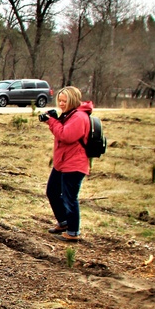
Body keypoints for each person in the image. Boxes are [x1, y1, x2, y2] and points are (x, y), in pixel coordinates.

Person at [41, 86, 93, 242]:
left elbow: (66, 136)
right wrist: (55, 120)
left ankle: (73, 231)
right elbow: (61, 131)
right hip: (62, 162)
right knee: (52, 191)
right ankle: (63, 222)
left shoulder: (79, 117)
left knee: (69, 198)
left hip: (74, 164)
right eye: (60, 100)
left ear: (73, 100)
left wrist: (51, 121)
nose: (61, 104)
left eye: (65, 101)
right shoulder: (69, 115)